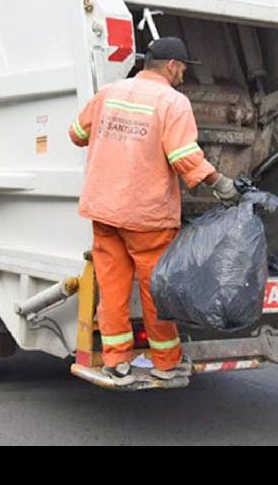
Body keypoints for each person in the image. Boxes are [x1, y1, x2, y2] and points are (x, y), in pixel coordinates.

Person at [68, 37, 241, 385]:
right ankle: (165, 361)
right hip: (146, 215)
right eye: (183, 70)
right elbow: (182, 156)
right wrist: (219, 182)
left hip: (104, 210)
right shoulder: (172, 102)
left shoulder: (109, 92)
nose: (183, 77)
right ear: (173, 66)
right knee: (158, 292)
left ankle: (116, 362)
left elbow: (76, 133)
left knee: (113, 288)